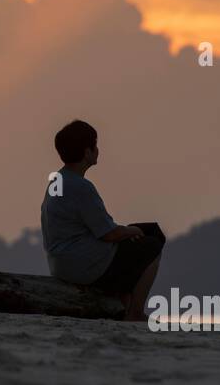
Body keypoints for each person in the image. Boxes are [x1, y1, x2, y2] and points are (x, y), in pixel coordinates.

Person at [40, 120, 164, 320]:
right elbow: (109, 233)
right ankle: (135, 312)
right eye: (95, 145)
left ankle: (123, 303)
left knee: (140, 236)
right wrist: (132, 232)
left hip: (62, 263)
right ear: (87, 151)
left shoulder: (58, 181)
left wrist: (127, 232)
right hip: (84, 265)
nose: (98, 150)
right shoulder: (81, 187)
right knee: (152, 242)